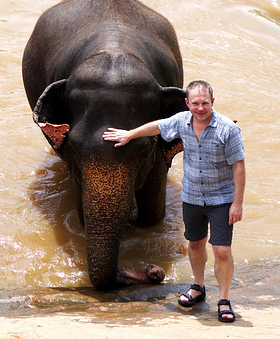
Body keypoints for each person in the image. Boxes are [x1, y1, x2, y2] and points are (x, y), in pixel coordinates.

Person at [102, 80, 246, 323]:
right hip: (191, 197)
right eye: (196, 103)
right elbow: (158, 126)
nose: (201, 108)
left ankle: (223, 299)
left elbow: (239, 167)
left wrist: (237, 203)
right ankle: (198, 287)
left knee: (221, 250)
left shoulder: (227, 129)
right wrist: (130, 134)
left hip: (221, 198)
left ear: (213, 102)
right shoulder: (182, 120)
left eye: (205, 103)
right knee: (195, 244)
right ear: (188, 103)